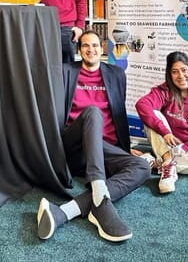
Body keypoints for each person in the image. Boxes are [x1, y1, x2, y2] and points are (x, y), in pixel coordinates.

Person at [37, 30, 151, 242]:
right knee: (92, 113)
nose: (91, 50)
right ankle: (99, 193)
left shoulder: (116, 74)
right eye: (86, 46)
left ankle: (66, 211)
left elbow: (119, 113)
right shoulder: (65, 72)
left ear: (102, 49)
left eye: (95, 45)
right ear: (79, 50)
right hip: (74, 146)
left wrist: (124, 151)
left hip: (103, 148)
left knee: (142, 167)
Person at [135, 51, 188, 194]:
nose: (181, 76)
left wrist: (185, 148)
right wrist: (165, 132)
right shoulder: (164, 91)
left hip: (184, 149)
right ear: (170, 75)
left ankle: (156, 163)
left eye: (184, 70)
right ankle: (167, 163)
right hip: (164, 143)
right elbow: (142, 105)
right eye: (175, 72)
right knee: (153, 115)